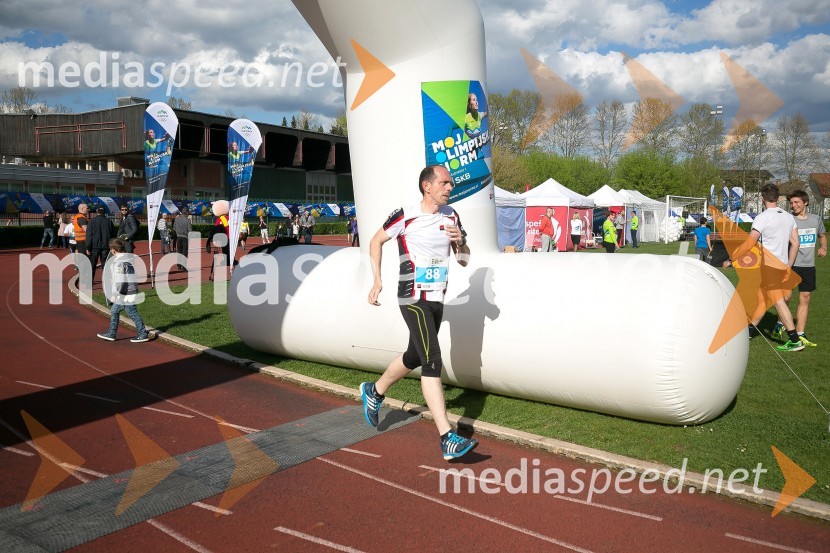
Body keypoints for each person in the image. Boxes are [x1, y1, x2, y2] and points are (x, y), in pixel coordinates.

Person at [361, 165, 478, 461]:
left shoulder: (452, 216)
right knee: (432, 359)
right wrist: (377, 279)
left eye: (450, 183)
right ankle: (446, 437)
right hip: (412, 296)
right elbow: (376, 242)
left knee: (414, 356)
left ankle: (374, 391)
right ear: (427, 186)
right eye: (444, 183)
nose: (449, 187)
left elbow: (464, 260)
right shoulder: (405, 214)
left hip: (437, 297)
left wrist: (459, 242)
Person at [732, 185, 803, 352]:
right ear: (778, 198)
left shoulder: (762, 217)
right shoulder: (788, 217)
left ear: (762, 198)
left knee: (778, 301)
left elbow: (751, 242)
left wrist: (732, 257)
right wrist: (788, 265)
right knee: (762, 302)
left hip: (770, 267)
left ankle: (794, 339)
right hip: (782, 267)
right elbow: (796, 243)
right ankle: (748, 333)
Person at [770, 190, 827, 347]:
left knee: (805, 298)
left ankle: (800, 334)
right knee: (786, 298)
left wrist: (823, 247)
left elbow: (822, 235)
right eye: (792, 203)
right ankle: (780, 323)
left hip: (808, 266)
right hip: (791, 265)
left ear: (805, 202)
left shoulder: (816, 220)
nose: (793, 205)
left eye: (797, 202)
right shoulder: (788, 220)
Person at [97, 238, 150, 343]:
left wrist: (114, 294)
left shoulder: (119, 263)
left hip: (125, 292)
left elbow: (120, 281)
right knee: (115, 310)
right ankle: (112, 333)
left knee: (131, 312)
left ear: (113, 250)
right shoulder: (127, 258)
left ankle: (142, 333)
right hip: (129, 289)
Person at [86, 206, 116, 283]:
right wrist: (112, 246)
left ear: (97, 212)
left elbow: (89, 235)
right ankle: (107, 282)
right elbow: (113, 235)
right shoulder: (109, 221)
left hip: (94, 247)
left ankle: (90, 282)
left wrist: (88, 247)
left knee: (92, 265)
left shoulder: (92, 221)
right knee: (105, 265)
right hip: (106, 246)